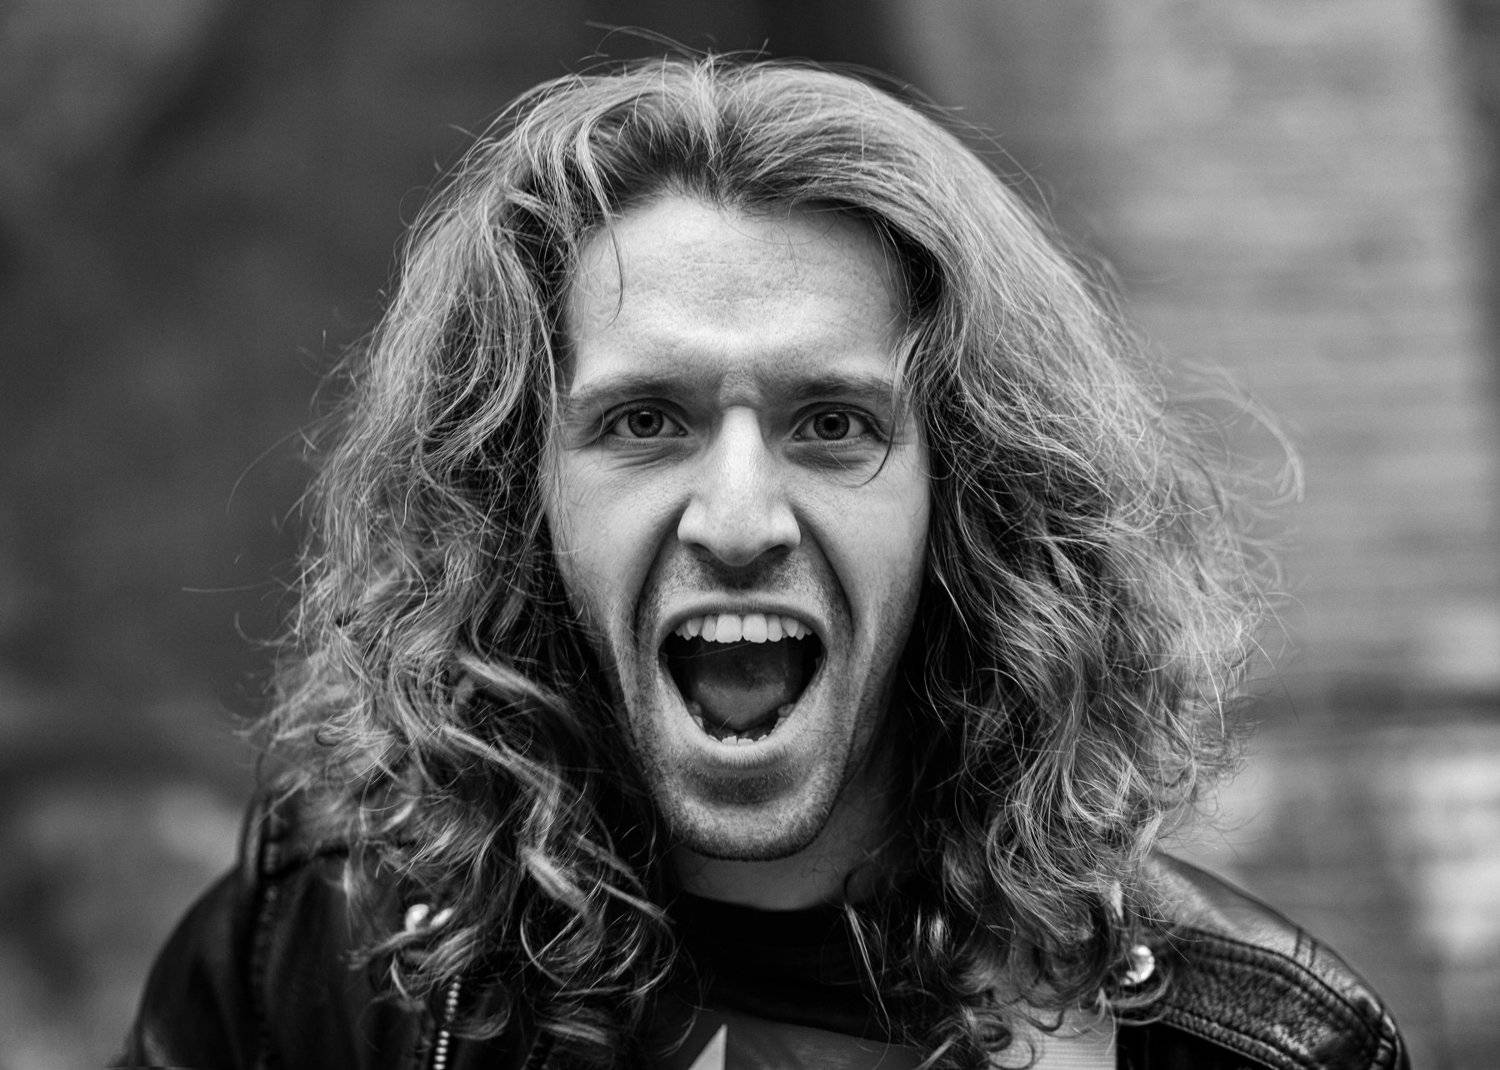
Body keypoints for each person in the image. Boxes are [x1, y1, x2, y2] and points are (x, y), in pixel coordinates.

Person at [118, 56, 1408, 1070]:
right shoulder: (317, 955)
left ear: (969, 499)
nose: (739, 523)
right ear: (520, 498)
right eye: (644, 421)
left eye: (833, 425)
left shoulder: (1251, 1048)